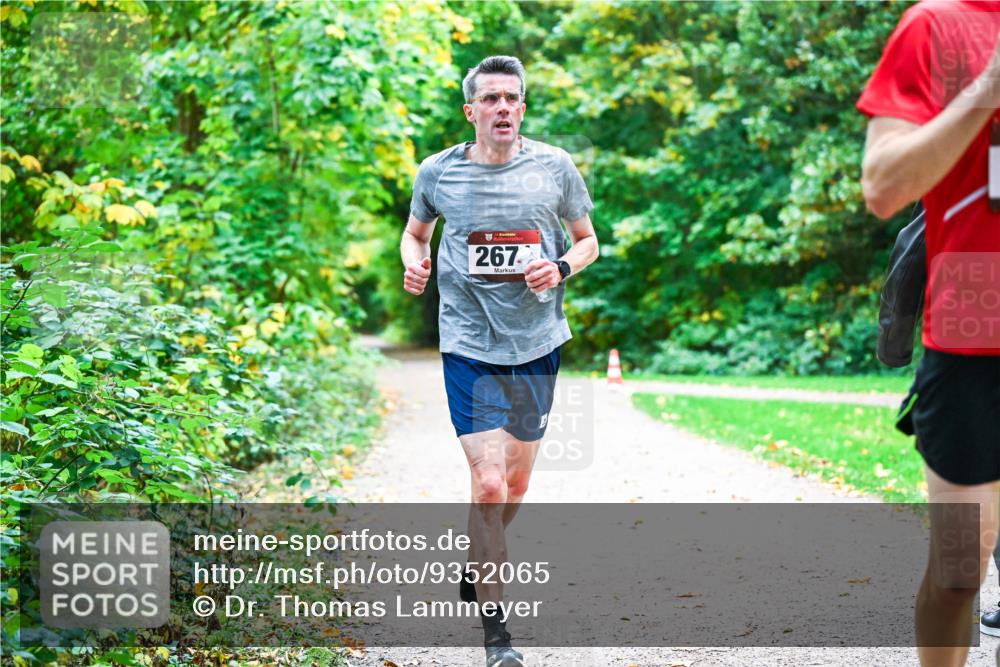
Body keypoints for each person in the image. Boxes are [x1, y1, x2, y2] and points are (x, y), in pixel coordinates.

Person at [401, 55, 598, 667]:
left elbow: (590, 240)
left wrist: (561, 265)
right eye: (490, 99)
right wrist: (413, 260)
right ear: (471, 110)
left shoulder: (555, 168)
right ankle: (497, 637)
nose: (503, 108)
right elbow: (415, 232)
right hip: (467, 343)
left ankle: (476, 557)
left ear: (523, 107)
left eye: (512, 98)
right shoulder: (438, 173)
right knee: (487, 483)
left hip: (537, 342)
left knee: (513, 484)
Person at [858, 3, 1000, 665]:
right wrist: (987, 89)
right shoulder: (938, 25)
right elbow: (884, 187)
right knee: (958, 573)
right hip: (974, 337)